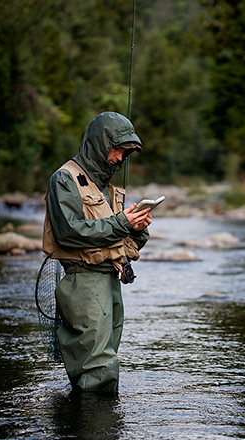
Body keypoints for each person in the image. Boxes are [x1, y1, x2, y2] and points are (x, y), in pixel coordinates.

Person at [42, 111, 152, 393]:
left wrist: (137, 228)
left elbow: (124, 243)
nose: (119, 158)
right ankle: (94, 435)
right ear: (99, 143)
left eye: (124, 153)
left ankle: (97, 431)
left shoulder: (107, 188)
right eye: (117, 149)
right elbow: (69, 232)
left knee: (105, 364)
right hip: (84, 283)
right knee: (97, 371)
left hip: (110, 282)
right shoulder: (64, 179)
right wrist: (121, 223)